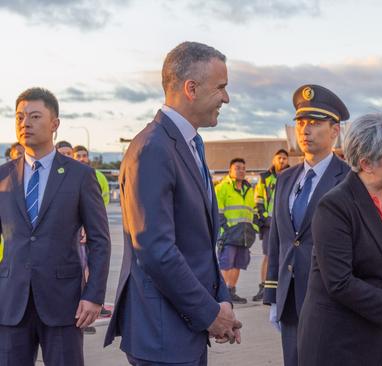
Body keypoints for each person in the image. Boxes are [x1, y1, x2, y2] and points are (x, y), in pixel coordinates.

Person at [104, 42, 241, 365]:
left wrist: (222, 302)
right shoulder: (152, 148)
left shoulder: (191, 143)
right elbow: (156, 250)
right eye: (220, 87)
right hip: (163, 334)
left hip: (183, 329)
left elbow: (199, 245)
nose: (226, 98)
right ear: (190, 88)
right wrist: (210, 314)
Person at [298, 113, 382, 366]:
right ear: (366, 164)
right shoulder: (335, 205)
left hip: (379, 331)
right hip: (338, 339)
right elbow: (339, 282)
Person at [0, 87, 110, 365]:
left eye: (35, 116)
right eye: (20, 117)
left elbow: (99, 240)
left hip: (65, 303)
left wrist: (94, 295)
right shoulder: (3, 176)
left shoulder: (81, 176)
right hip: (11, 302)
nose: (25, 123)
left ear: (55, 124)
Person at [263, 84, 351, 366]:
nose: (305, 130)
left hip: (330, 300)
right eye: (301, 122)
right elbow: (279, 241)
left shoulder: (349, 179)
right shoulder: (286, 178)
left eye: (314, 123)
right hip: (290, 298)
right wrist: (273, 295)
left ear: (335, 130)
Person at [72, 144, 113, 332]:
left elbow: (100, 205)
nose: (81, 158)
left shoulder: (97, 177)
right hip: (78, 230)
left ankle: (88, 302)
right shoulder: (69, 175)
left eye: (84, 155)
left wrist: (91, 226)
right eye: (78, 155)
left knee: (89, 263)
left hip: (92, 226)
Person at [215, 158, 258, 304]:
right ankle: (221, 295)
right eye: (237, 168)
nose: (241, 171)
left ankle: (231, 291)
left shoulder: (248, 189)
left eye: (243, 168)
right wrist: (224, 229)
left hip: (245, 234)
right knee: (225, 264)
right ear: (230, 170)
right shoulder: (222, 188)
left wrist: (254, 229)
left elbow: (252, 211)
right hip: (229, 233)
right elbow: (217, 211)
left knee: (238, 264)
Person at [252, 149, 289, 302]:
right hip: (270, 222)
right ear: (274, 160)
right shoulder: (264, 177)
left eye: (284, 158)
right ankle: (264, 286)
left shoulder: (293, 174)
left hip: (286, 221)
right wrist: (263, 219)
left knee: (286, 254)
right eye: (279, 158)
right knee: (269, 255)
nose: (282, 161)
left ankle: (284, 285)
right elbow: (258, 199)